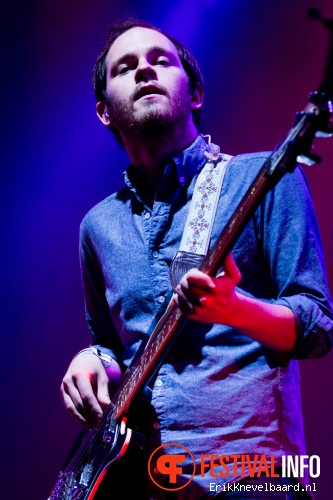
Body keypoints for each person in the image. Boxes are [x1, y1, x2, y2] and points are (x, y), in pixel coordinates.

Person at [60, 19, 333, 499]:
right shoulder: (97, 226)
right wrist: (91, 362)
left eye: (160, 61)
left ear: (197, 93)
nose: (145, 69)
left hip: (249, 472)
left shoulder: (265, 179)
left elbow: (317, 327)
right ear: (105, 112)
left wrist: (234, 309)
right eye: (126, 67)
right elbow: (110, 347)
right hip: (141, 480)